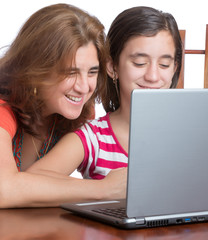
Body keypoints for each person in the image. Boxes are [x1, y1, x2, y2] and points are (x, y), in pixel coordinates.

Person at [28, 6, 182, 179]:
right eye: (139, 63)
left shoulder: (190, 132)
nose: (153, 76)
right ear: (112, 66)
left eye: (164, 65)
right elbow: (31, 182)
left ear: (174, 68)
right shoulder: (93, 137)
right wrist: (102, 188)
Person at [0, 3, 127, 208]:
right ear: (36, 67)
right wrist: (104, 189)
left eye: (92, 72)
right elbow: (3, 190)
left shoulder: (79, 113)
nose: (84, 87)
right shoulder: (3, 108)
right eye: (70, 72)